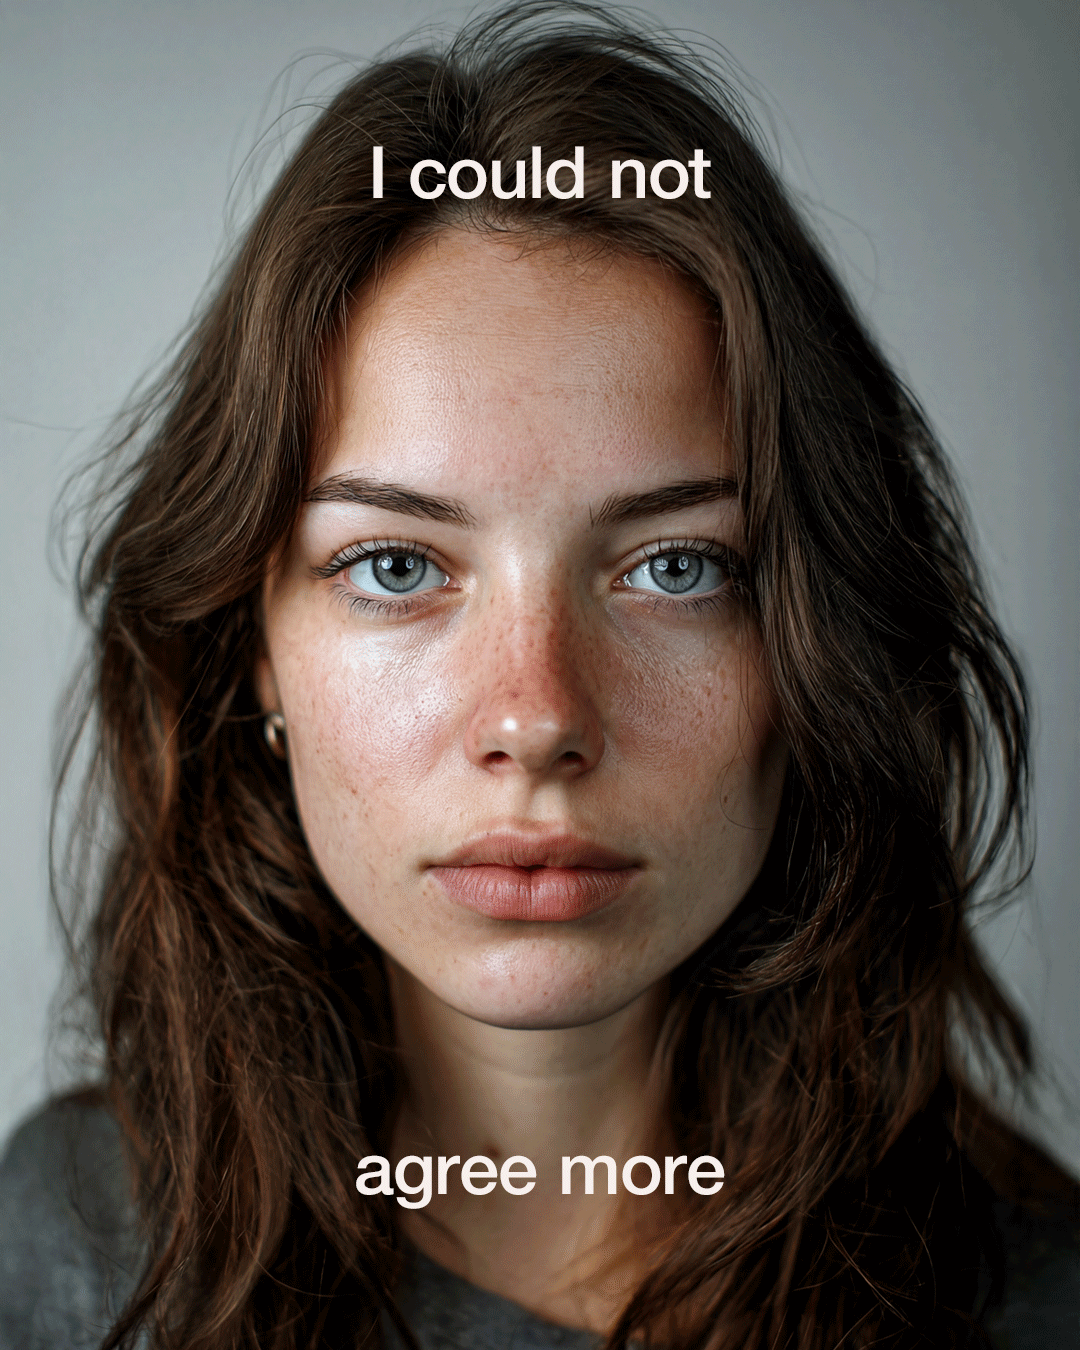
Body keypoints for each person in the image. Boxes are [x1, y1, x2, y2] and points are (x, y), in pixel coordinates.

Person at [1, 4, 1076, 1348]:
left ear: (819, 650)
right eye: (396, 566)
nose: (537, 717)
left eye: (678, 567)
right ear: (253, 653)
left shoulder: (1036, 1300)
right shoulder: (68, 1247)